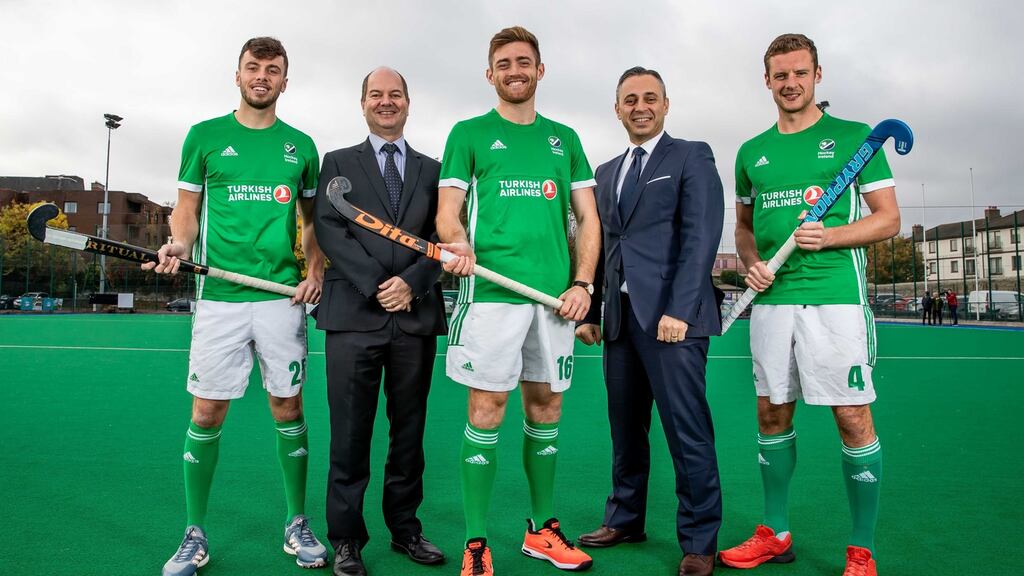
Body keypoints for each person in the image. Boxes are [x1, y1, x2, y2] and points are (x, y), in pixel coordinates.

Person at [146, 37, 328, 576]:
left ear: (284, 82)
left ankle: (296, 523)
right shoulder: (204, 137)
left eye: (273, 70)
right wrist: (179, 244)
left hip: (280, 299)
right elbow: (186, 211)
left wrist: (315, 269)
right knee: (206, 412)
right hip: (220, 300)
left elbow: (314, 221)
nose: (262, 77)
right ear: (238, 74)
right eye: (254, 68)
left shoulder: (301, 146)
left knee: (288, 409)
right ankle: (193, 533)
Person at [720, 34, 900, 576]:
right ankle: (774, 532)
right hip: (772, 303)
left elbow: (888, 218)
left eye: (799, 72)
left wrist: (835, 235)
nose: (790, 83)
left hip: (834, 300)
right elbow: (745, 227)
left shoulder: (854, 139)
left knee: (851, 416)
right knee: (771, 413)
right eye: (779, 75)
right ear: (767, 80)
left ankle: (861, 549)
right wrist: (749, 260)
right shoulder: (751, 152)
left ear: (817, 74)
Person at [435, 25, 601, 576]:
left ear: (540, 70)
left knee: (546, 409)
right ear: (490, 74)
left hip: (553, 301)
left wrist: (582, 284)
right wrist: (456, 241)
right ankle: (477, 542)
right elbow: (447, 210)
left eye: (524, 61)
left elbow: (588, 220)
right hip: (490, 297)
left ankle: (541, 530)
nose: (515, 70)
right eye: (504, 63)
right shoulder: (469, 133)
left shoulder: (565, 139)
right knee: (488, 409)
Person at [574, 67, 725, 576]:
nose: (640, 106)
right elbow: (604, 247)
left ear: (665, 104)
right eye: (629, 99)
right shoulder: (605, 170)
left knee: (687, 431)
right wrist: (593, 311)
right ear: (617, 109)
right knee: (625, 428)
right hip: (619, 322)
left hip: (673, 322)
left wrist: (679, 310)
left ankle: (700, 540)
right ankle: (625, 518)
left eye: (650, 98)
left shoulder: (691, 155)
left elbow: (701, 237)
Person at [313, 67, 447, 576]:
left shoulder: (435, 170)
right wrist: (377, 284)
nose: (386, 102)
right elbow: (330, 230)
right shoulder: (337, 163)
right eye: (376, 95)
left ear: (408, 104)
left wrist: (412, 283)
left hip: (414, 317)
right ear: (363, 103)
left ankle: (406, 529)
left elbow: (446, 236)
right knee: (350, 433)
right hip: (354, 316)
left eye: (395, 95)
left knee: (408, 433)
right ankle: (346, 539)